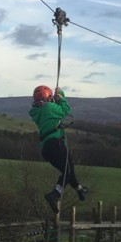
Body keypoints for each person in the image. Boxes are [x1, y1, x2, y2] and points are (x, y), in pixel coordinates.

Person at [29, 85, 88, 213]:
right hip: (56, 143)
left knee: (68, 169)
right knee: (67, 169)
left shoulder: (37, 111)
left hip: (46, 148)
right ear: (48, 97)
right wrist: (61, 96)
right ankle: (55, 194)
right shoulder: (49, 107)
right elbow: (65, 110)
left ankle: (79, 189)